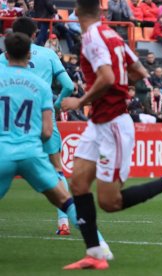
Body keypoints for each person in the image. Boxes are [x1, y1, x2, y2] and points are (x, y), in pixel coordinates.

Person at [61, 0, 162, 270]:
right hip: (99, 121)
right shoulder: (112, 35)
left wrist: (80, 102)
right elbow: (139, 71)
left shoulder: (91, 37)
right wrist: (118, 91)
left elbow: (107, 78)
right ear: (99, 11)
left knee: (109, 202)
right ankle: (95, 254)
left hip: (113, 123)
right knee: (78, 184)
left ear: (76, 12)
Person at [0, 32, 112, 263]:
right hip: (31, 152)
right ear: (29, 54)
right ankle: (99, 246)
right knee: (65, 199)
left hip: (2, 151)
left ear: (6, 54)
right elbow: (47, 132)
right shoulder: (40, 85)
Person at [0, 17, 75, 235]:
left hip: (10, 126)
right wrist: (58, 104)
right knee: (57, 169)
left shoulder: (4, 57)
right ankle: (64, 222)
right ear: (35, 35)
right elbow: (69, 85)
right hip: (43, 117)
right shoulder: (49, 54)